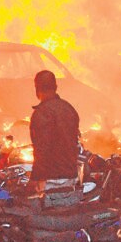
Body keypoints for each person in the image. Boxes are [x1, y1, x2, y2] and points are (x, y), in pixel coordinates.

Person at [29, 70, 81, 198]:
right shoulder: (69, 109)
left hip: (50, 181)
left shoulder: (42, 113)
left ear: (37, 89)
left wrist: (34, 179)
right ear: (56, 87)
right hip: (71, 176)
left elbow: (42, 150)